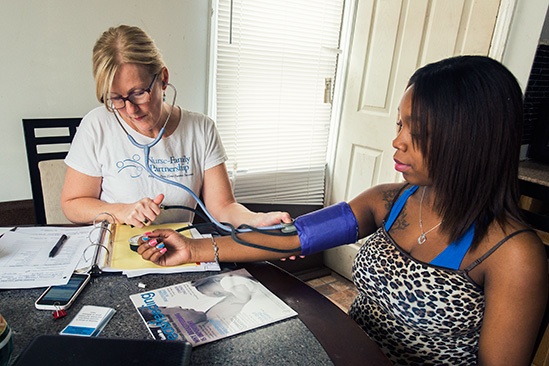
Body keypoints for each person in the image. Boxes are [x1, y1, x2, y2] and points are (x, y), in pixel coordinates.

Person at [137, 55, 548, 365]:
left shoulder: (513, 255)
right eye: (399, 125)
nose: (398, 143)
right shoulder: (388, 201)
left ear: (471, 141)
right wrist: (194, 250)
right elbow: (297, 236)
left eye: (417, 132)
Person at [60, 25, 291, 229]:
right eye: (116, 99)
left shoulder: (201, 129)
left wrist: (257, 220)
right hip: (117, 256)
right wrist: (121, 211)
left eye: (138, 93)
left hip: (181, 253)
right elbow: (72, 205)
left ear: (163, 78)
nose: (130, 110)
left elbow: (223, 206)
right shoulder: (97, 125)